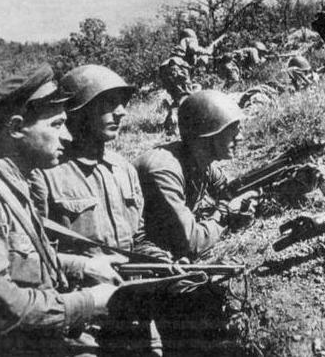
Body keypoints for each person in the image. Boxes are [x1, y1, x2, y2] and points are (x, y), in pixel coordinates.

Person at [0, 64, 124, 357]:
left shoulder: (14, 185)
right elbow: (4, 307)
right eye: (56, 125)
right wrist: (91, 301)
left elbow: (20, 258)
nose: (67, 137)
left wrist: (83, 266)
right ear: (16, 128)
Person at [31, 64, 169, 356]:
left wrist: (160, 261)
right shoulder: (45, 174)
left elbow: (137, 238)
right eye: (109, 103)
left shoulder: (124, 169)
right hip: (80, 324)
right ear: (78, 111)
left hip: (134, 315)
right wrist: (84, 268)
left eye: (122, 103)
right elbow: (35, 257)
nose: (122, 112)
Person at [134, 90, 257, 260]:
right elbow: (191, 244)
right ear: (207, 136)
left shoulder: (199, 161)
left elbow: (228, 190)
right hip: (134, 251)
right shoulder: (164, 171)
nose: (240, 137)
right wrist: (225, 214)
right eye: (232, 131)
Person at [159, 28, 215, 135]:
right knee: (185, 97)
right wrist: (207, 51)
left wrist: (203, 56)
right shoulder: (188, 40)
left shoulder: (180, 47)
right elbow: (193, 48)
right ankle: (174, 121)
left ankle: (169, 123)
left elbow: (195, 62)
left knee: (178, 98)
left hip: (166, 68)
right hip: (177, 66)